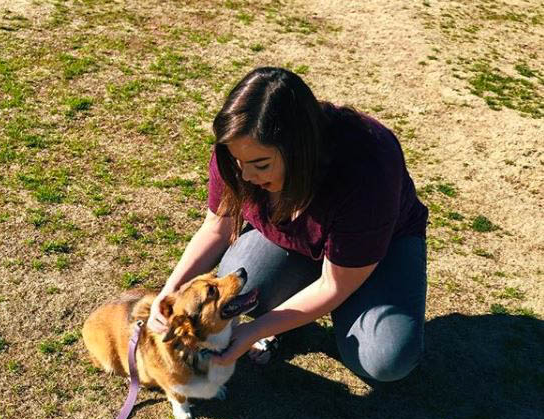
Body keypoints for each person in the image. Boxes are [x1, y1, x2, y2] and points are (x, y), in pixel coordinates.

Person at [147, 67, 428, 383]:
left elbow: (334, 284)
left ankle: (361, 305)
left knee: (386, 356)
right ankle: (304, 302)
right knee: (242, 272)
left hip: (377, 252)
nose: (246, 177)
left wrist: (255, 330)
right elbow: (218, 226)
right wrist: (169, 293)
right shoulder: (239, 147)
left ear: (299, 150)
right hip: (302, 247)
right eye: (237, 164)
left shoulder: (368, 168)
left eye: (261, 165)